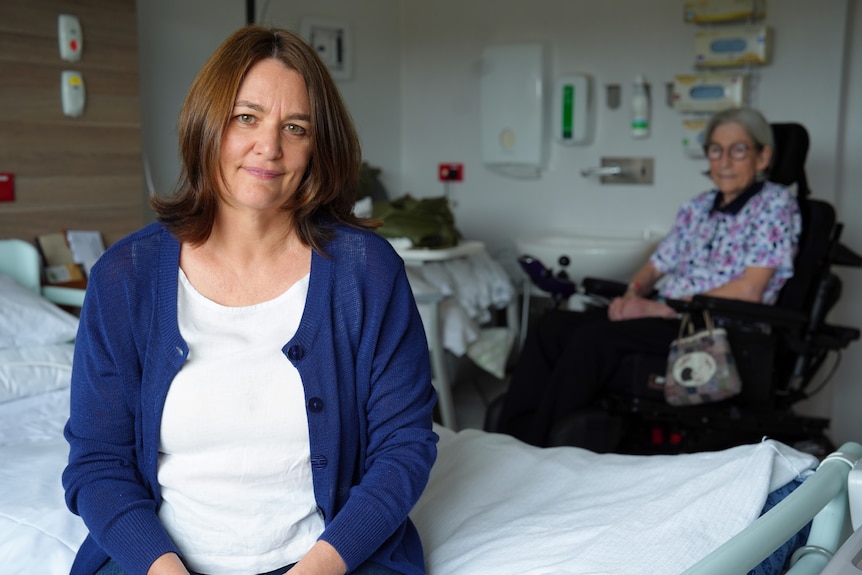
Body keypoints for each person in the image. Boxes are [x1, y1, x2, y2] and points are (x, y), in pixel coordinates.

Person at [62, 25, 438, 575]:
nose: (270, 146)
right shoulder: (125, 277)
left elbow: (404, 445)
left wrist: (317, 569)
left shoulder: (367, 273)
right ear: (208, 124)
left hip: (329, 562)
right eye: (246, 117)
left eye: (295, 127)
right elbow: (97, 463)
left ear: (317, 147)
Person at [496, 107, 802, 447]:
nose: (725, 161)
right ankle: (508, 445)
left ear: (762, 157)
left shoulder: (774, 205)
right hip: (670, 315)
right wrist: (633, 295)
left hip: (718, 328)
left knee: (594, 341)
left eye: (738, 150)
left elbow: (750, 289)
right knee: (550, 327)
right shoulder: (698, 206)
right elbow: (657, 264)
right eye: (716, 149)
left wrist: (662, 309)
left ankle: (539, 450)